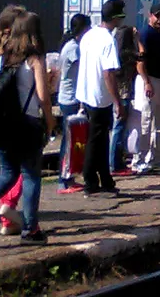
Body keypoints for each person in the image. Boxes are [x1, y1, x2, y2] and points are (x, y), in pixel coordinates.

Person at [0, 11, 55, 245]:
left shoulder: (4, 55)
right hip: (28, 125)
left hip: (4, 125)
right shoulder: (35, 58)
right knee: (32, 176)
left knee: (7, 172)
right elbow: (43, 96)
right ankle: (31, 230)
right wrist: (50, 119)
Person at [77, 0, 126, 196]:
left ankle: (105, 178)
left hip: (86, 94)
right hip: (100, 97)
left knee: (100, 140)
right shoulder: (108, 40)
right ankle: (90, 181)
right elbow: (108, 73)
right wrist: (117, 101)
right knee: (95, 141)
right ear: (116, 18)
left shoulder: (89, 35)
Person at [0, 5, 27, 234]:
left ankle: (7, 222)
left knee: (5, 168)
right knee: (24, 168)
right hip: (17, 115)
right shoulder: (20, 53)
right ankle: (7, 206)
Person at [130, 3, 160, 174]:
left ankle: (155, 158)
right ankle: (138, 159)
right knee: (145, 120)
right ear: (150, 16)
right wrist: (146, 81)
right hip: (147, 79)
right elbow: (140, 62)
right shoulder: (145, 34)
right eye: (157, 16)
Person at [56, 13, 90, 194]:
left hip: (71, 98)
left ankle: (69, 177)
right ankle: (63, 180)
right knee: (68, 143)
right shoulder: (73, 48)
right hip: (70, 99)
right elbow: (84, 67)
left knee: (73, 141)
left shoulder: (73, 45)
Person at [109, 23, 141, 176]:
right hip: (124, 93)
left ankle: (114, 161)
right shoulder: (128, 54)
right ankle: (115, 163)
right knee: (119, 127)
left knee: (117, 127)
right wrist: (138, 39)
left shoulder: (115, 53)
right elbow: (142, 54)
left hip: (118, 92)